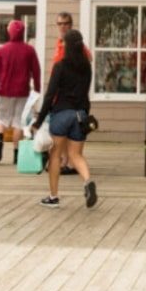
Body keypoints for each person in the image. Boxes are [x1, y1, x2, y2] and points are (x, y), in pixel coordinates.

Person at [31, 28, 97, 209]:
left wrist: (39, 120)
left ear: (66, 46)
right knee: (76, 155)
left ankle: (53, 197)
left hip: (61, 114)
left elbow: (50, 95)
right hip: (80, 115)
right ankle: (88, 181)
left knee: (56, 156)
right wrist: (84, 116)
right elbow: (85, 94)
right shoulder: (87, 68)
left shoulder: (60, 66)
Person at [0, 20, 42, 165]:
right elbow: (36, 72)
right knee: (18, 122)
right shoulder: (29, 50)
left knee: (1, 118)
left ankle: (0, 138)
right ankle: (16, 154)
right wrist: (37, 90)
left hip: (4, 90)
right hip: (22, 91)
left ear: (10, 32)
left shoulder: (2, 50)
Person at [51, 11, 91, 175]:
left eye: (66, 23)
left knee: (70, 130)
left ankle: (70, 162)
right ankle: (66, 161)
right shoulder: (59, 43)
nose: (63, 26)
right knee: (65, 131)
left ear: (71, 24)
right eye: (60, 23)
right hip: (59, 93)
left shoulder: (76, 45)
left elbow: (88, 58)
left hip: (73, 95)